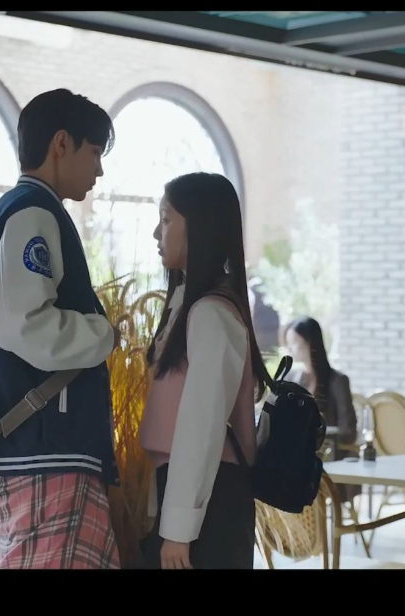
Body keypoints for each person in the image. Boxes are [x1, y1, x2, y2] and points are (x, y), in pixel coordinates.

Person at [0, 89, 121, 569]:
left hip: (40, 455)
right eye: (94, 152)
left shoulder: (26, 208)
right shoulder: (33, 212)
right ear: (61, 144)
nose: (99, 170)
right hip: (44, 457)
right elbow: (20, 321)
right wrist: (103, 335)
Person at [138, 172, 267, 569]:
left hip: (210, 503)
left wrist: (178, 531)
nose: (157, 233)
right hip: (195, 497)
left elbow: (201, 428)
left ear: (200, 226)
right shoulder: (191, 307)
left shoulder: (211, 314)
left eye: (166, 219)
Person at [283, 317, 360, 502]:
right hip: (297, 458)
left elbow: (348, 430)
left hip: (329, 459)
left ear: (311, 343)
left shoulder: (337, 381)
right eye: (288, 344)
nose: (291, 349)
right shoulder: (291, 378)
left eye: (295, 343)